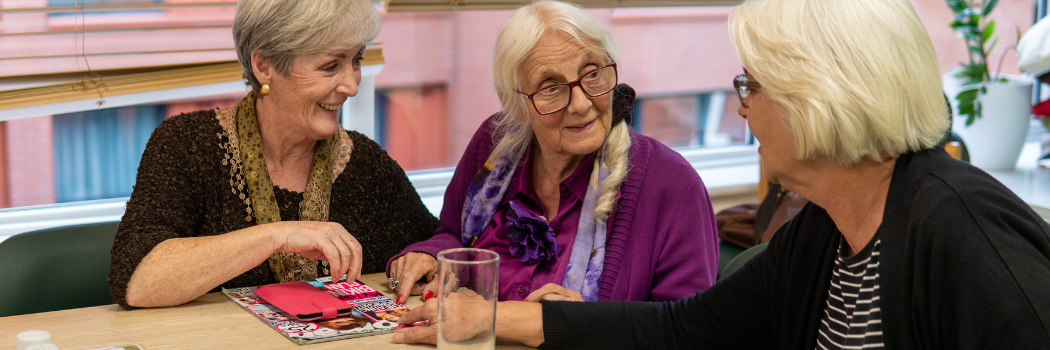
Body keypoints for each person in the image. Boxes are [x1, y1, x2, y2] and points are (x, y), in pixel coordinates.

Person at [391, 0, 1050, 347]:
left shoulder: (961, 231)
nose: (741, 107)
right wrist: (495, 320)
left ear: (818, 101)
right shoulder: (824, 232)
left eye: (751, 86)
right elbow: (685, 332)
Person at [107, 0, 440, 309]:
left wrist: (430, 261)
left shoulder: (367, 165)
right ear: (264, 65)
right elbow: (138, 281)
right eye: (329, 66)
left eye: (356, 61)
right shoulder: (187, 144)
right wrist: (279, 235)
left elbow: (440, 246)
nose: (352, 85)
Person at [385, 0, 719, 305]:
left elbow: (686, 331)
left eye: (592, 74)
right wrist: (431, 254)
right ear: (518, 103)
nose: (581, 104)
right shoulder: (492, 144)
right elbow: (453, 235)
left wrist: (584, 328)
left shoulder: (673, 187)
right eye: (551, 88)